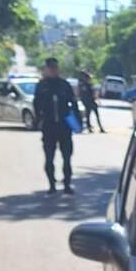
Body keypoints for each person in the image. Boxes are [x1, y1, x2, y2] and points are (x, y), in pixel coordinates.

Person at [33, 57, 80, 194]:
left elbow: (73, 103)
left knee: (67, 158)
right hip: (49, 126)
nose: (54, 70)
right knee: (49, 158)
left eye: (55, 67)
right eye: (51, 68)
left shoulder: (64, 85)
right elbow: (36, 104)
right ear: (46, 69)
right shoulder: (42, 86)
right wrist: (38, 119)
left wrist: (76, 122)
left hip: (64, 127)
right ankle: (52, 185)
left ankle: (67, 184)